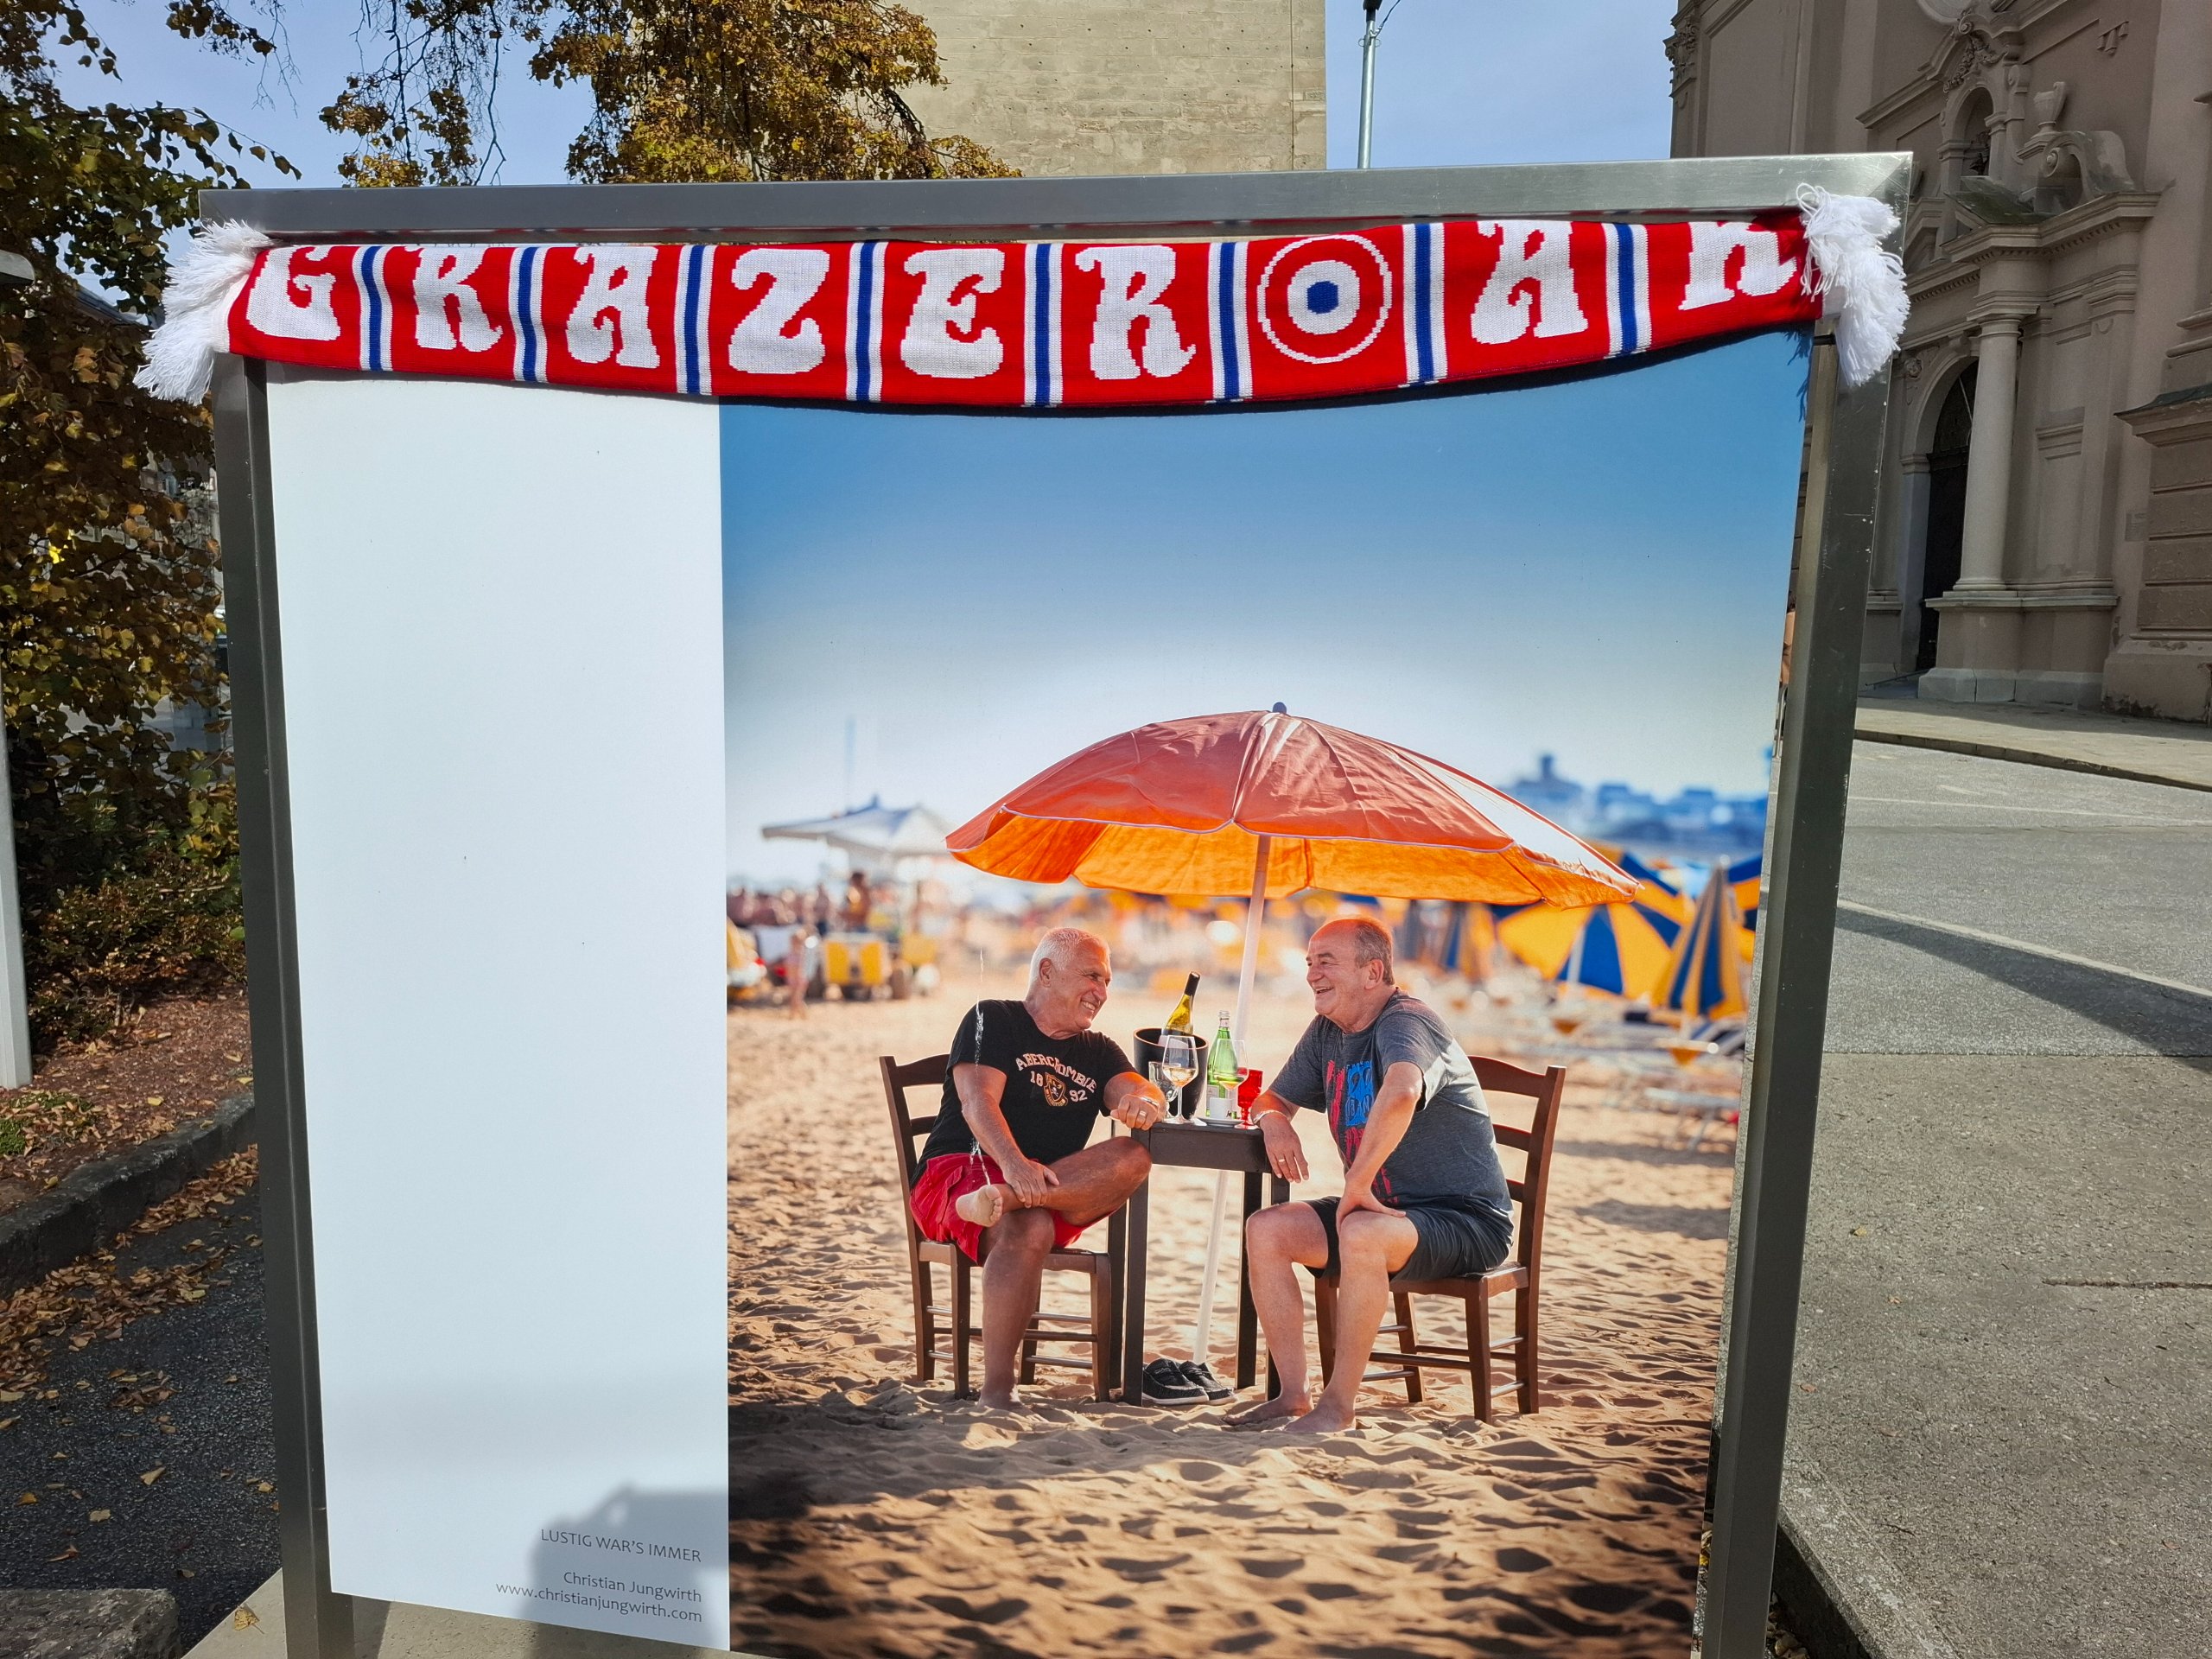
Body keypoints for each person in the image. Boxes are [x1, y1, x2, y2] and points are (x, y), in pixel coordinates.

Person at [1231, 917, 1515, 1434]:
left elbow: (1403, 1091)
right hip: (1386, 1213)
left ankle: (1338, 1406)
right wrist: (1275, 1123)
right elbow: (1271, 1099)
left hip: (1466, 1219)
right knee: (1266, 1228)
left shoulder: (1406, 1020)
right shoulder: (1328, 1033)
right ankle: (1293, 1394)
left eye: (1327, 962)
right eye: (1310, 962)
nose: (1312, 973)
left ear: (1373, 972)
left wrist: (1356, 1185)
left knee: (1361, 1231)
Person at [909, 927, 1166, 1409]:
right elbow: (977, 1101)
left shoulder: (1097, 1050)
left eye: (1107, 981)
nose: (1102, 992)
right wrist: (1014, 1164)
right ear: (1047, 971)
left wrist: (1145, 1100)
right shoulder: (993, 1018)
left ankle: (1007, 1200)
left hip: (1047, 1192)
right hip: (961, 1173)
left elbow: (1137, 1087)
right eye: (1092, 976)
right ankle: (998, 1390)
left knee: (1134, 1156)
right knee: (1028, 1225)